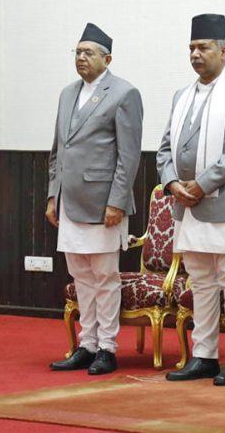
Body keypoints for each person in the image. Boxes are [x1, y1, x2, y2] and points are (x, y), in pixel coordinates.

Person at [158, 13, 225, 386]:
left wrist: (201, 185)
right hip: (186, 205)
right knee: (200, 281)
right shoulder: (181, 96)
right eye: (191, 48)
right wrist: (172, 184)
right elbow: (164, 149)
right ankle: (203, 354)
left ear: (224, 50)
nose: (196, 54)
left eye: (203, 47)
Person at [46, 23, 144, 376]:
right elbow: (58, 150)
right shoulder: (67, 93)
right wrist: (52, 195)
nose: (81, 58)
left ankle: (108, 348)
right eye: (77, 52)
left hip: (104, 204)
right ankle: (86, 344)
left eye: (88, 53)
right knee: (80, 275)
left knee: (105, 275)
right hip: (70, 202)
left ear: (108, 58)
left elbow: (128, 155)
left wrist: (117, 201)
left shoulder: (123, 93)